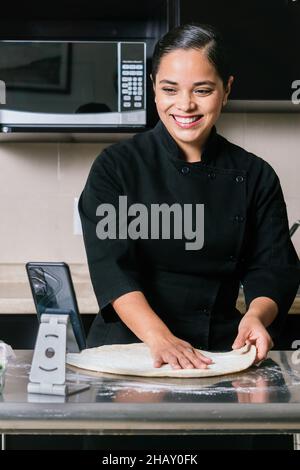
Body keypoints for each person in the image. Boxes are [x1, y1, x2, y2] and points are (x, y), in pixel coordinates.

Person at [79, 24, 300, 371]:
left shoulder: (256, 175)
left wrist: (257, 316)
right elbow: (113, 270)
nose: (185, 104)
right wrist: (159, 338)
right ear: (154, 90)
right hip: (133, 350)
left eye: (202, 89)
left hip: (221, 350)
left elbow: (273, 268)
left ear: (226, 90)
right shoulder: (117, 168)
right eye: (170, 89)